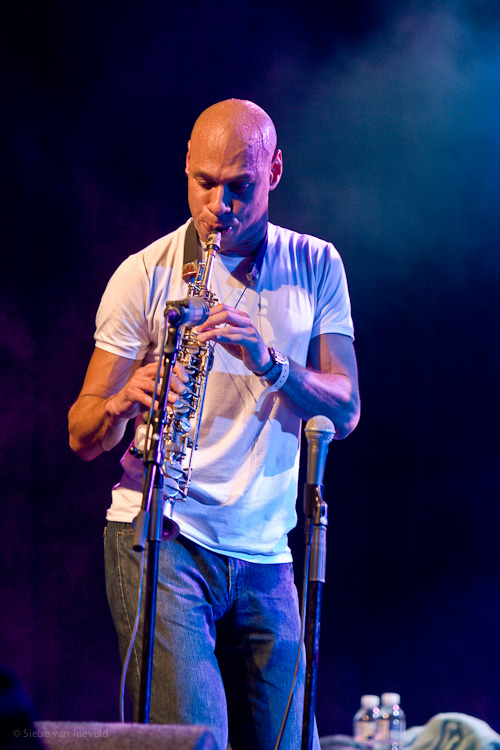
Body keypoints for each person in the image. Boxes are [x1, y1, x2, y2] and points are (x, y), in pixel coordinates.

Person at [68, 99, 360, 750]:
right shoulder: (144, 275)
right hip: (164, 538)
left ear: (275, 171)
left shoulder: (316, 266)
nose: (219, 206)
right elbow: (81, 433)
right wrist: (122, 402)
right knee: (201, 743)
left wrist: (271, 363)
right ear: (187, 171)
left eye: (240, 187)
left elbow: (346, 411)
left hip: (264, 551)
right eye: (205, 183)